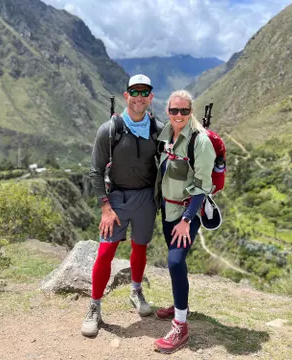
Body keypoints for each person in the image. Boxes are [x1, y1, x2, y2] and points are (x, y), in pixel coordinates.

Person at [81, 74, 164, 337]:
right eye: (134, 92)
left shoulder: (158, 129)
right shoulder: (110, 129)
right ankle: (94, 306)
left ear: (151, 97)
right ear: (126, 95)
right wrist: (105, 206)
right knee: (105, 253)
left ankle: (136, 291)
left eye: (144, 92)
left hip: (145, 199)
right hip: (116, 199)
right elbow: (95, 170)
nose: (139, 97)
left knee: (140, 248)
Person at [152, 90, 216, 354]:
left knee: (175, 261)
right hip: (168, 211)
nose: (179, 115)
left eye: (184, 111)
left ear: (191, 112)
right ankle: (182, 305)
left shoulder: (200, 142)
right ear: (167, 111)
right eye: (174, 110)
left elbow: (202, 187)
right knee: (176, 264)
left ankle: (181, 326)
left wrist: (187, 220)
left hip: (186, 213)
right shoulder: (167, 134)